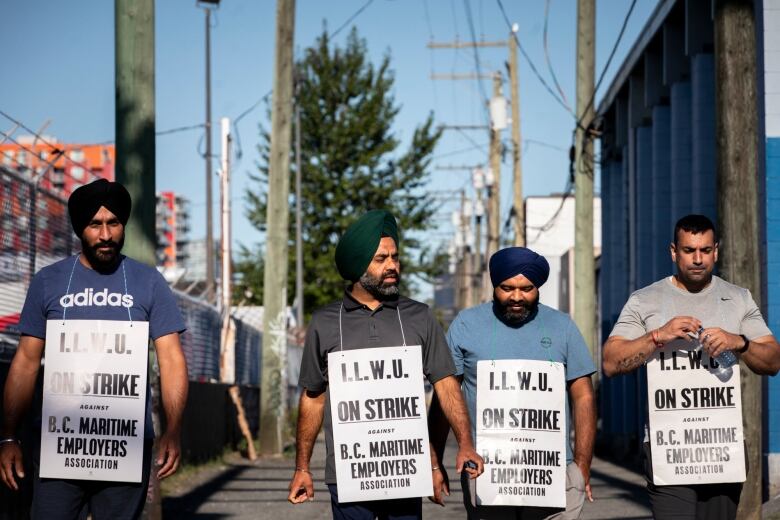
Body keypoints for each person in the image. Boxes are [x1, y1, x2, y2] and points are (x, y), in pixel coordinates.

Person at [0, 178, 189, 519]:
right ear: (79, 229)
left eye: (113, 223)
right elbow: (26, 362)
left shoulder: (149, 282)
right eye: (95, 225)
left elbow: (172, 359)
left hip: (124, 448)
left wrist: (173, 431)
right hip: (59, 449)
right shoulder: (49, 281)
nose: (105, 235)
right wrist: (8, 437)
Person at [286, 209, 484, 519]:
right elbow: (313, 398)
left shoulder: (419, 316)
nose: (392, 265)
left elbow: (446, 384)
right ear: (358, 266)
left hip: (405, 472)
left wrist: (464, 445)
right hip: (349, 476)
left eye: (394, 257)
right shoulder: (325, 322)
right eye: (380, 259)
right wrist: (302, 468)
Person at [602, 214, 780, 519]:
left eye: (705, 250)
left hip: (723, 446)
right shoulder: (645, 300)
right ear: (674, 252)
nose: (698, 259)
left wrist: (740, 342)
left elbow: (773, 361)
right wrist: (658, 335)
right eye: (689, 251)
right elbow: (610, 361)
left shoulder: (738, 298)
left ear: (716, 251)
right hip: (667, 447)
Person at [429, 246, 596, 520]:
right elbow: (445, 395)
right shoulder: (467, 324)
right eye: (507, 288)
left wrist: (581, 466)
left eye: (527, 288)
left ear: (538, 286)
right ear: (495, 285)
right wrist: (435, 464)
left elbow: (583, 397)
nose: (517, 297)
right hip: (487, 471)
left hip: (553, 471)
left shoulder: (561, 326)